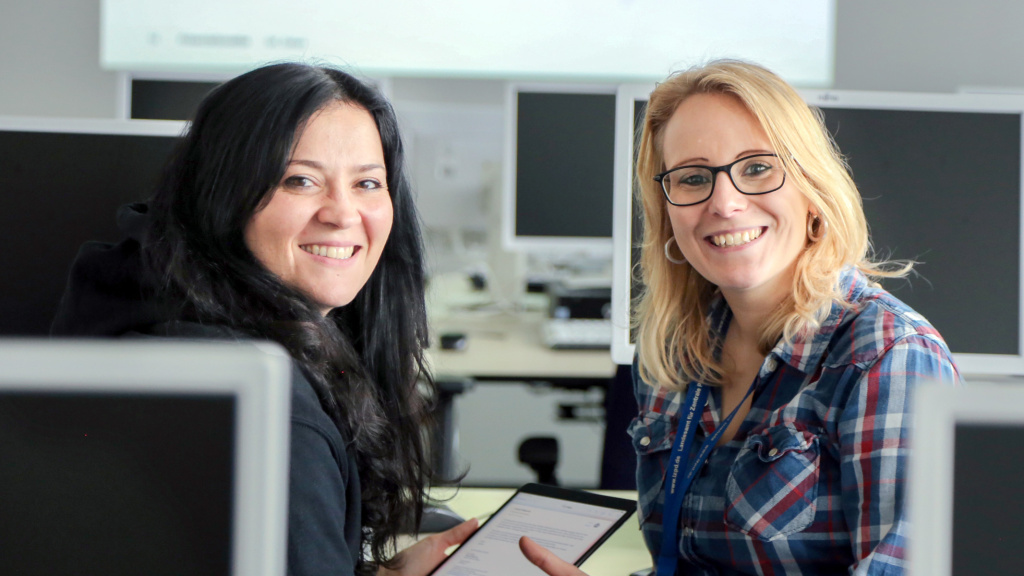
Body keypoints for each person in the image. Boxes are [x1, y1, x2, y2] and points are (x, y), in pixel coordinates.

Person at [520, 59, 961, 575]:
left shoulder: (888, 357)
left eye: (757, 167)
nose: (724, 203)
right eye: (692, 178)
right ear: (668, 213)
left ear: (812, 191)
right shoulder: (673, 351)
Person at [51, 62, 475, 576]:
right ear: (225, 195)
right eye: (300, 180)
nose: (342, 213)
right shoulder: (271, 407)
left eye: (367, 183)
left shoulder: (162, 316)